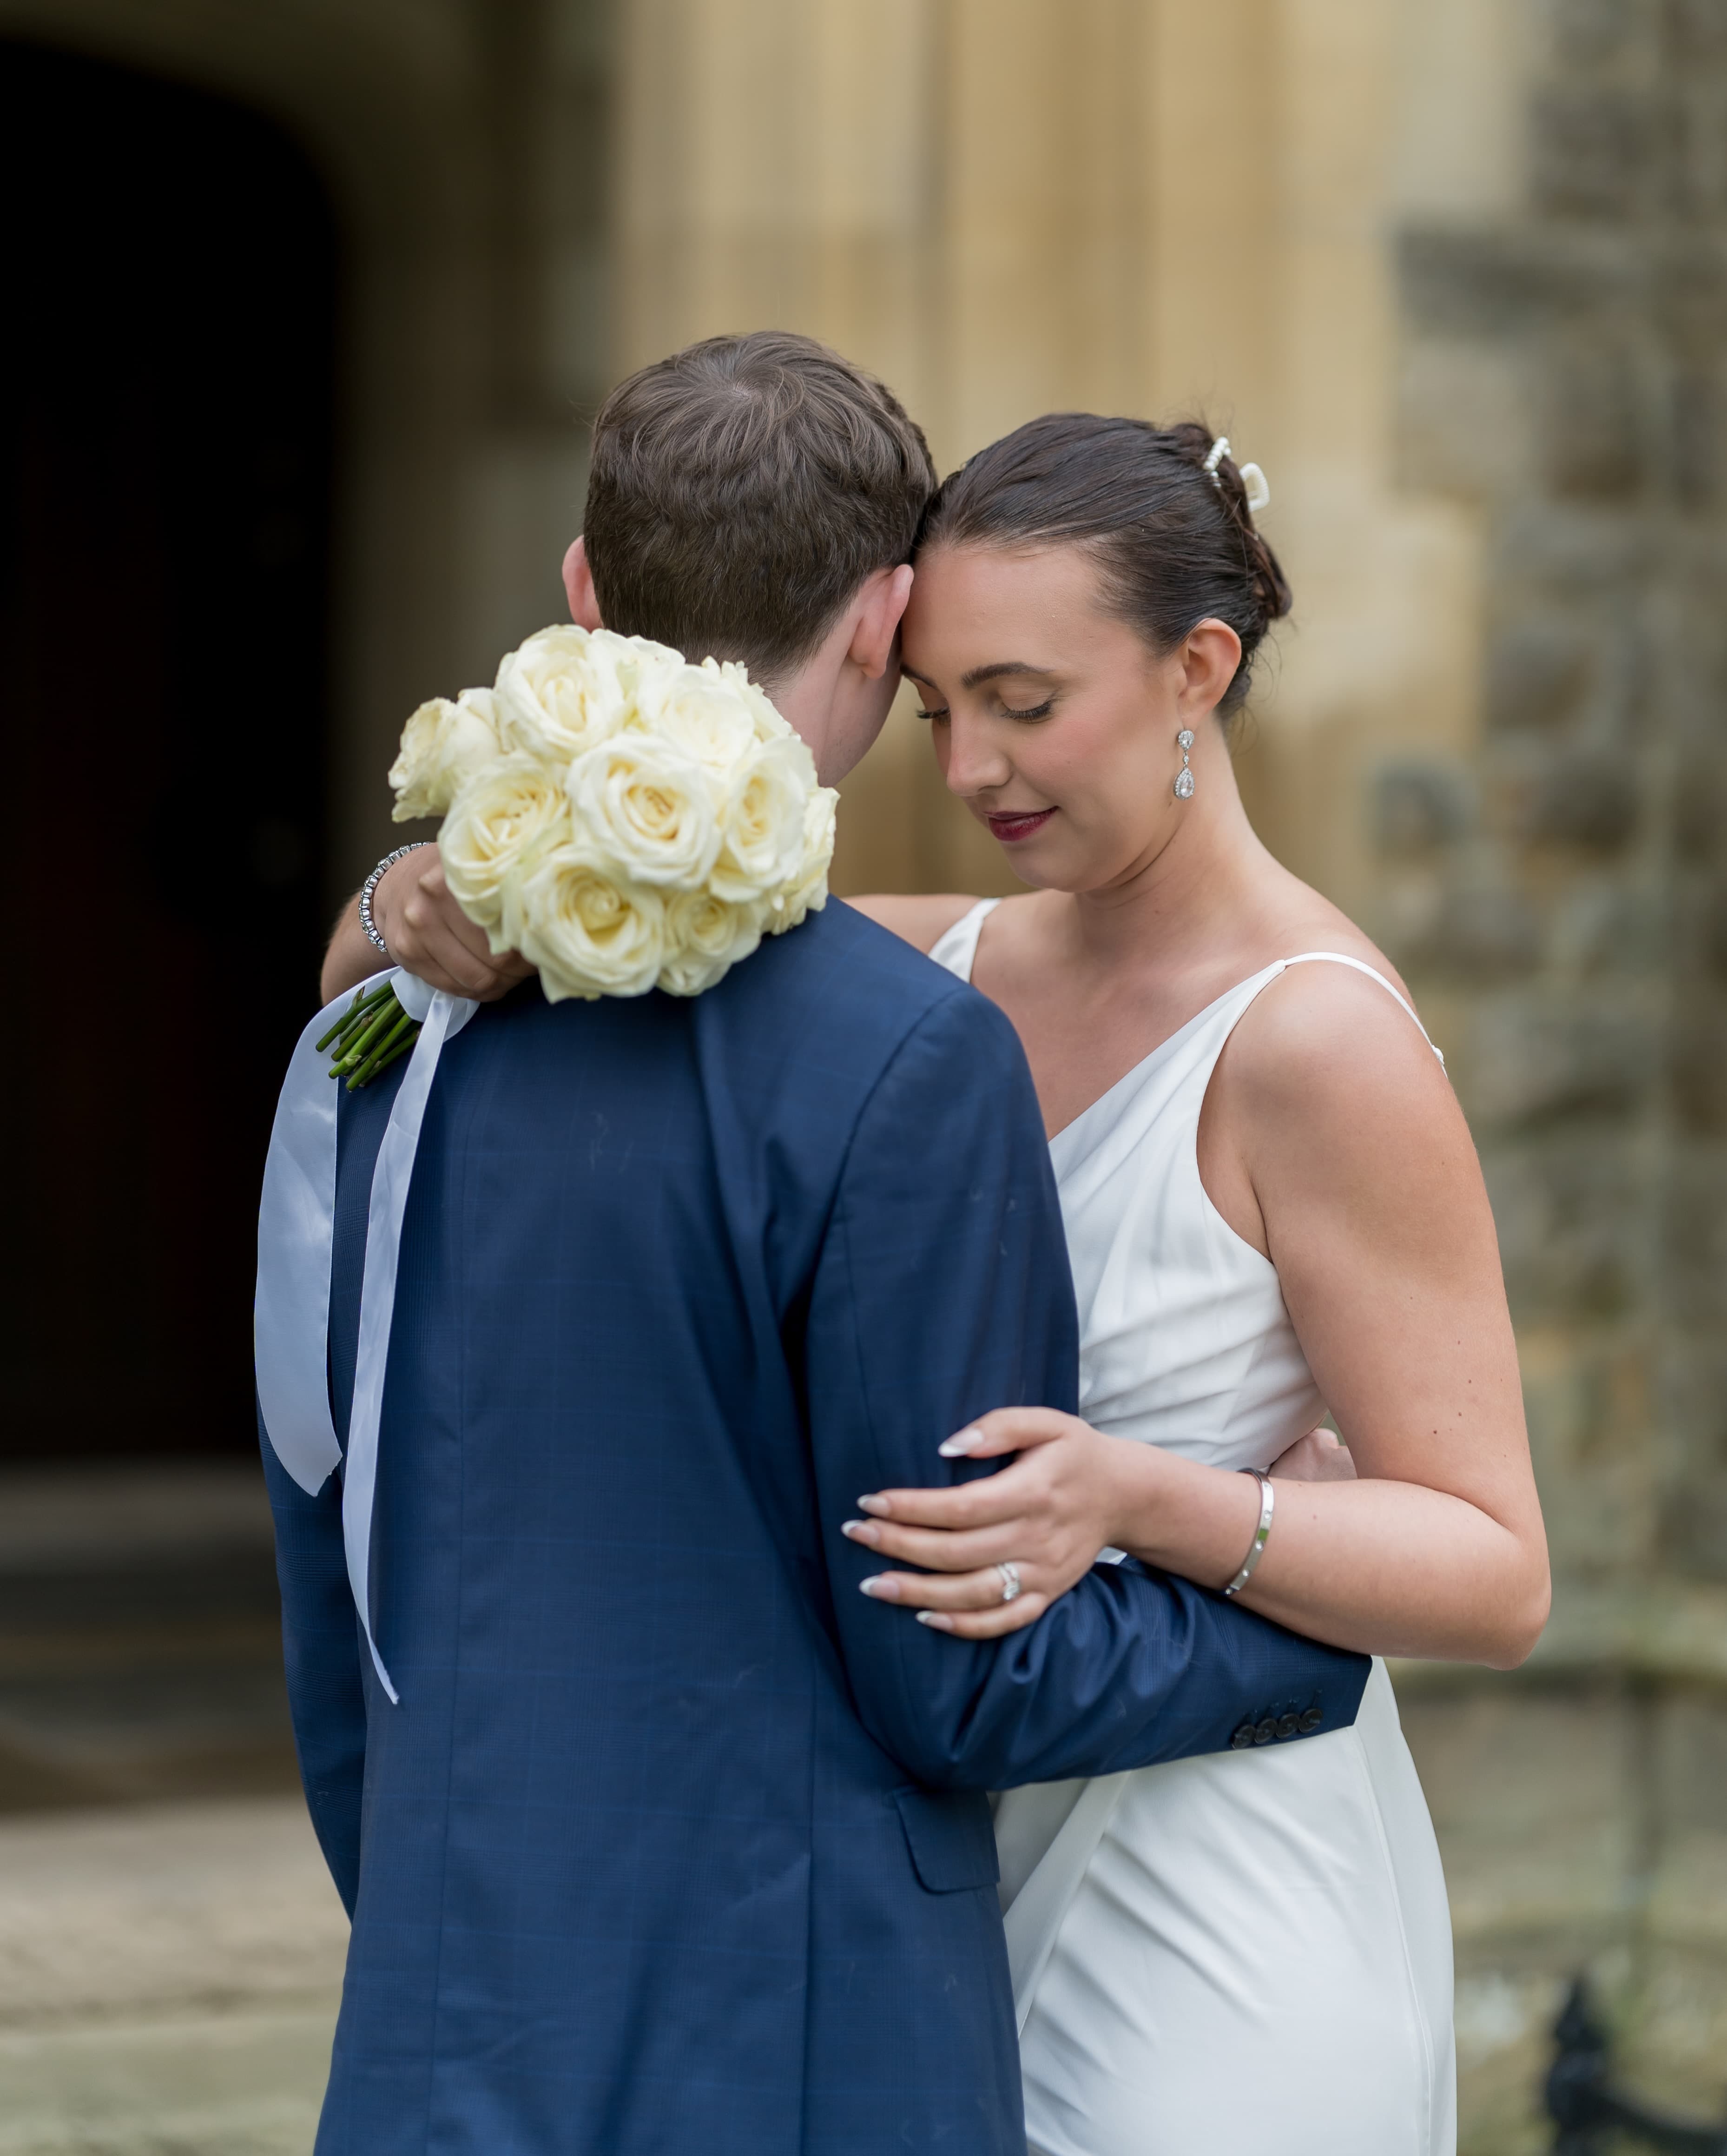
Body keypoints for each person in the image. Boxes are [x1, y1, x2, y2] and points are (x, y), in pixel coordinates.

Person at [271, 335, 1368, 2156]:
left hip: (437, 2029)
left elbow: (334, 1579)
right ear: (883, 621)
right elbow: (953, 1660)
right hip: (799, 2046)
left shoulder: (378, 1028)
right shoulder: (910, 1053)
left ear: (578, 592)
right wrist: (1302, 1618)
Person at [831, 413, 1550, 2156]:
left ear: (1195, 671)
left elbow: (1495, 1570)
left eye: (1024, 700)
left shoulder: (1315, 1042)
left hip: (1216, 1927)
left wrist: (1141, 1495)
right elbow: (553, 925)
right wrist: (412, 899)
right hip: (946, 1888)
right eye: (937, 711)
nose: (971, 767)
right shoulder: (935, 963)